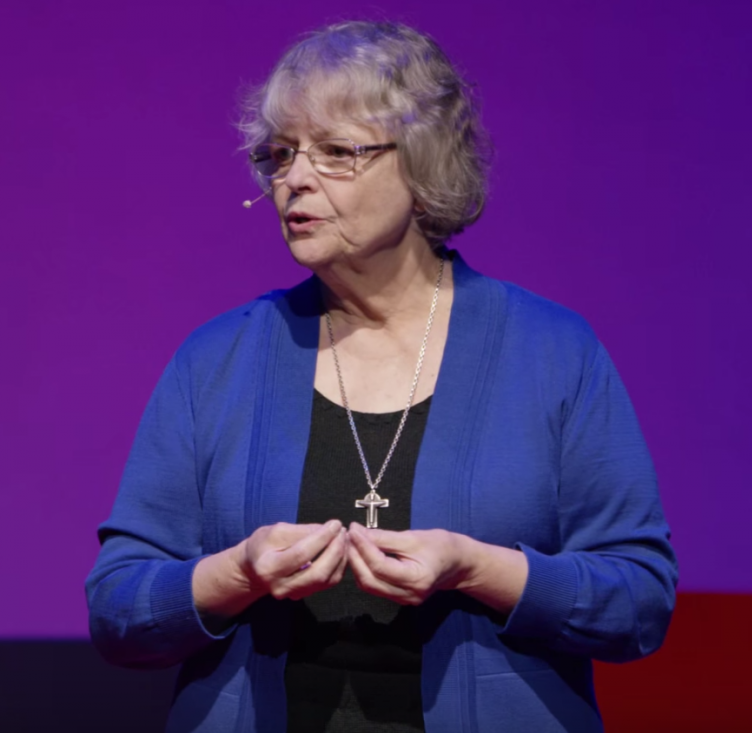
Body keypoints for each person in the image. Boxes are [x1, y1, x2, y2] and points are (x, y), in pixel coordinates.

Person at [86, 20, 677, 733]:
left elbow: (639, 602)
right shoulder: (217, 360)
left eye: (336, 152)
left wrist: (474, 567)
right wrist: (237, 573)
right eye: (280, 154)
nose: (294, 178)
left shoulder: (551, 351)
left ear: (423, 165)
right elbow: (118, 606)